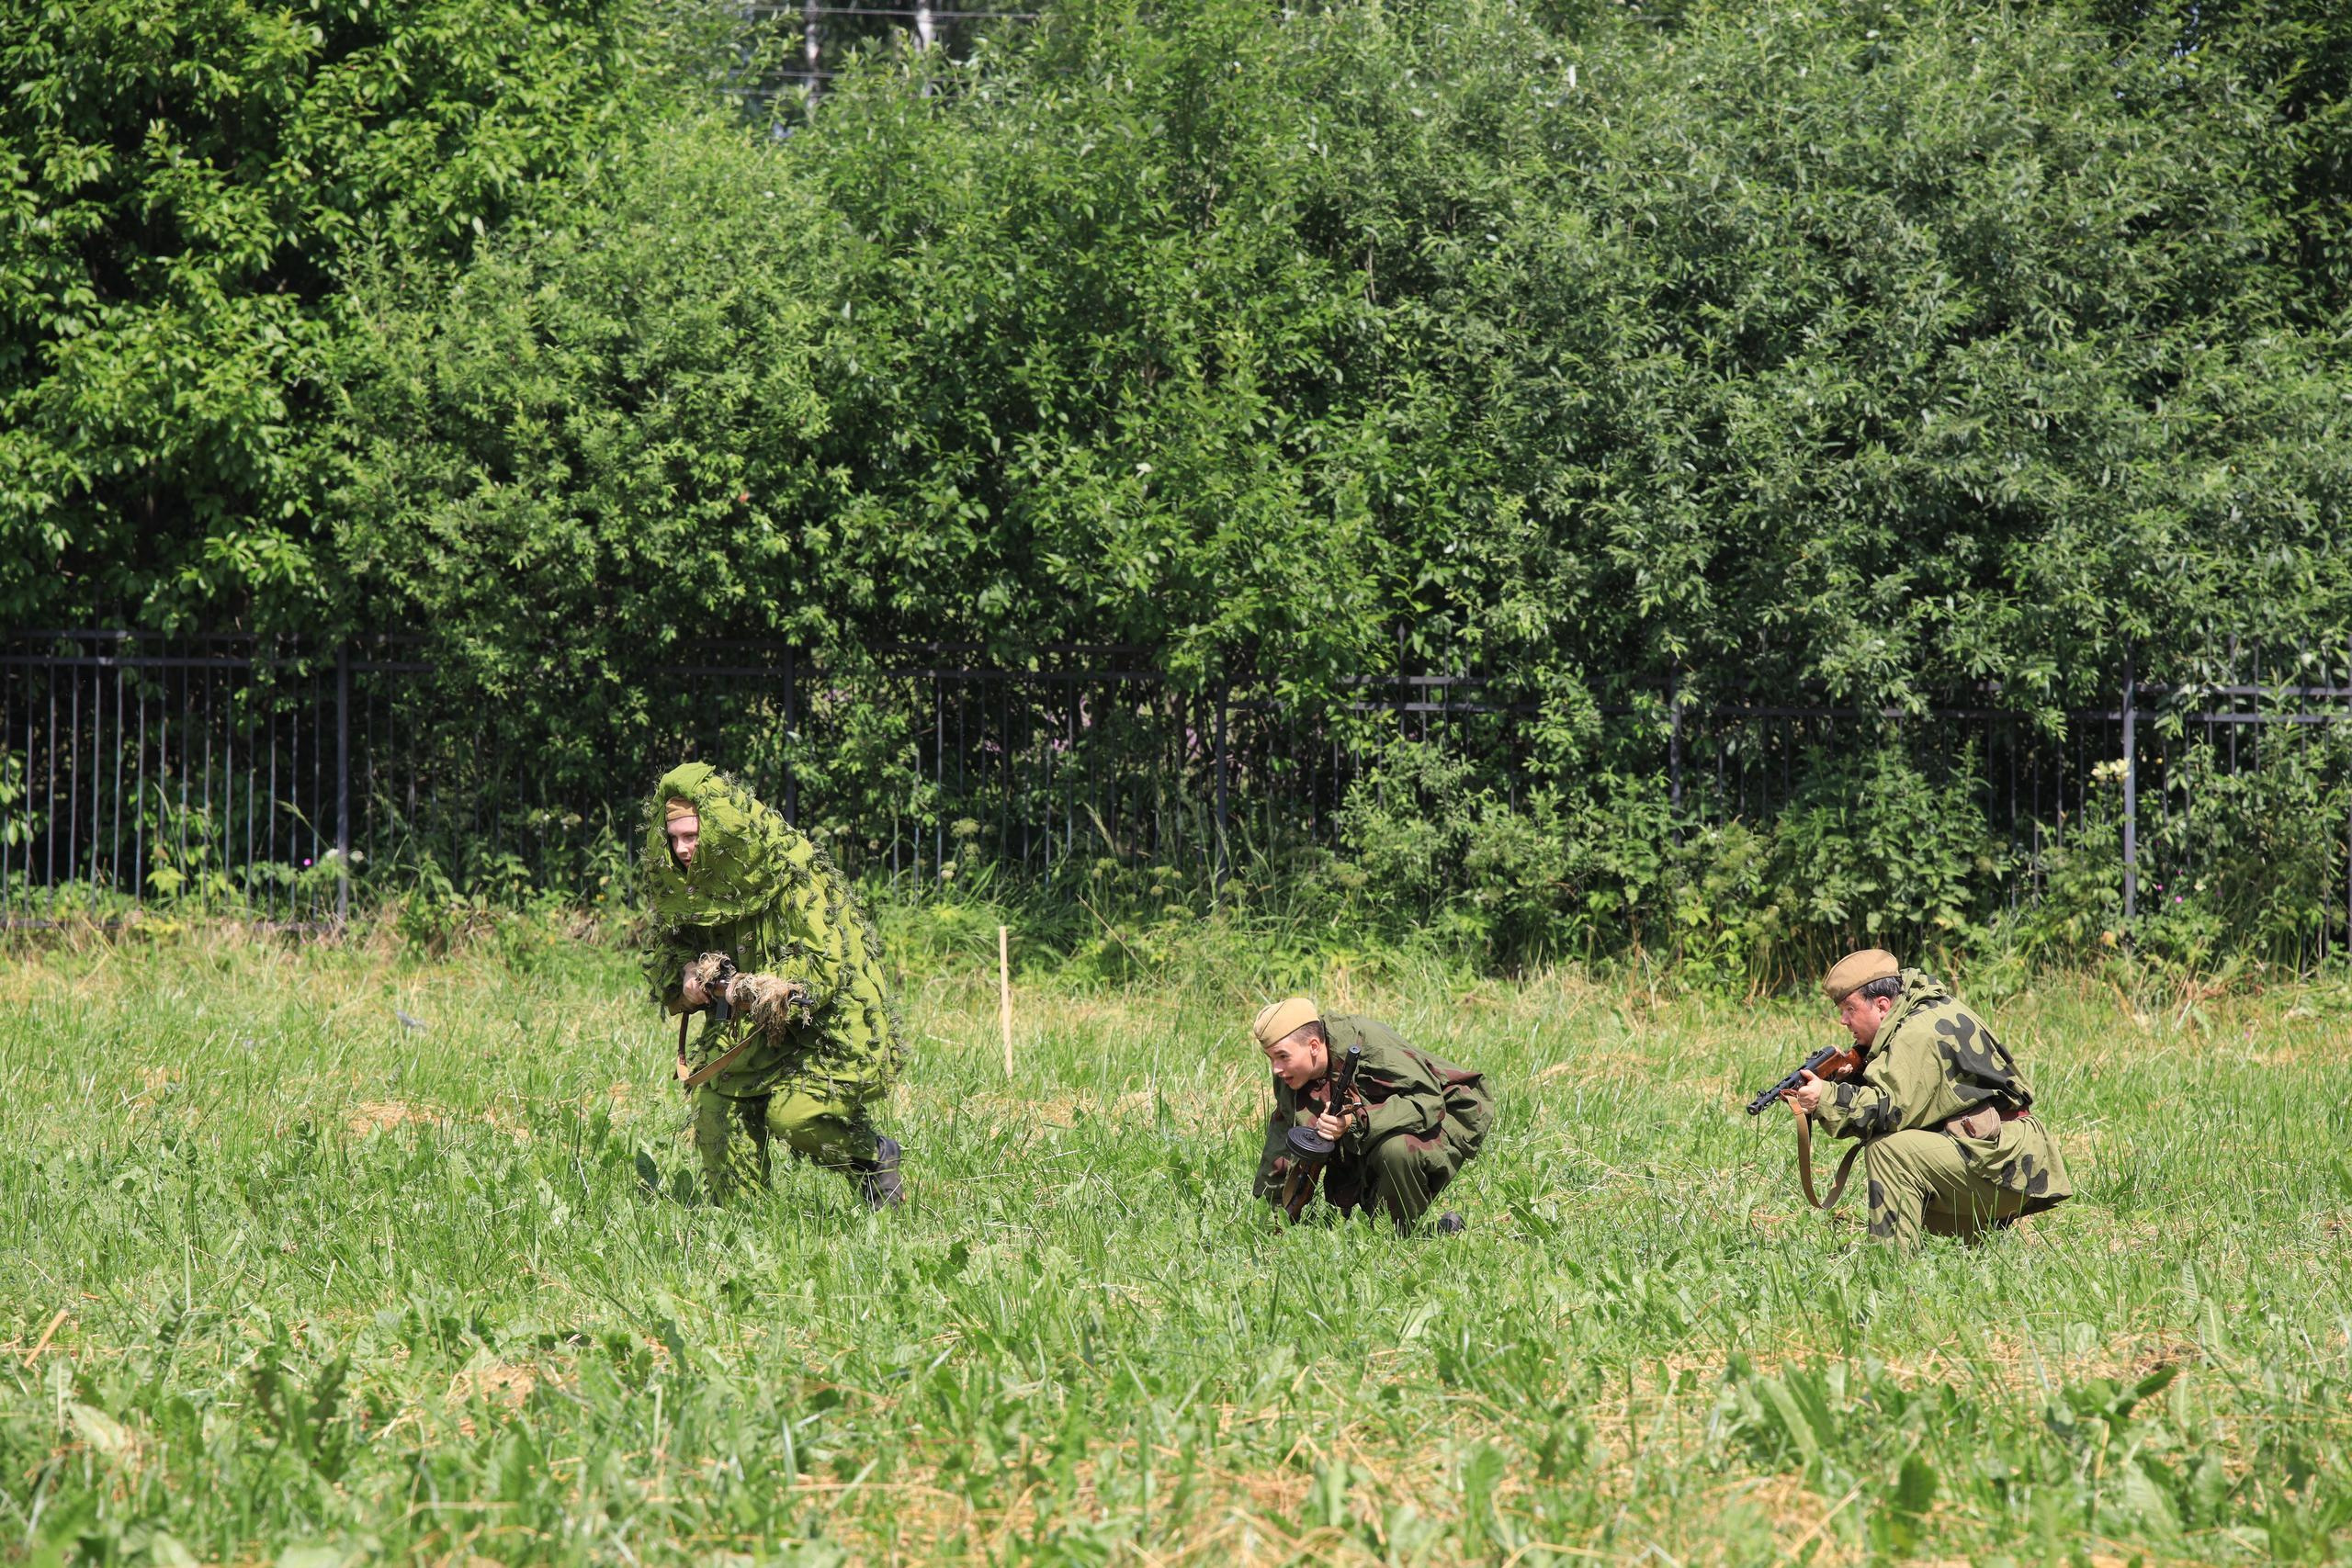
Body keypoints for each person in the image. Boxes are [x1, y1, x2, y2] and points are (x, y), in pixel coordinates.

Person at [641, 762, 907, 1208]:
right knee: (715, 1126)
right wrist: (685, 979)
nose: (682, 849)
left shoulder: (791, 873)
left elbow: (823, 967)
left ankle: (872, 1158)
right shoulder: (685, 887)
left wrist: (760, 988)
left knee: (796, 1118)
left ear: (722, 830)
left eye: (692, 835)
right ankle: (756, 1239)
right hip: (741, 1037)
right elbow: (667, 953)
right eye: (674, 838)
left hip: (823, 1029)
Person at [1785, 949, 2071, 1247]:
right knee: (1941, 1246)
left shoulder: (1916, 1033)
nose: (1843, 1020)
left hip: (2006, 1161)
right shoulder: (1924, 1010)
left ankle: (1889, 1273)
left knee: (1890, 1151)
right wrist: (1853, 1077)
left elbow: (1890, 1113)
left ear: (1882, 1005)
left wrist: (1826, 1097)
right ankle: (1957, 1256)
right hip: (2001, 1149)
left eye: (1849, 1009)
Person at [1250, 997, 1491, 1233]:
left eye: (1282, 1056)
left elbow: (1428, 1100)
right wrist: (1270, 1215)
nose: (1276, 1068)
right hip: (1374, 1124)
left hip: (1441, 1112)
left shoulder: (1370, 1046)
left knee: (1396, 1150)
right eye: (1270, 1058)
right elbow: (1282, 1138)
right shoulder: (1291, 1072)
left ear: (1313, 1046)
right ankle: (1379, 1221)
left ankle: (1395, 1234)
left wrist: (1356, 1121)